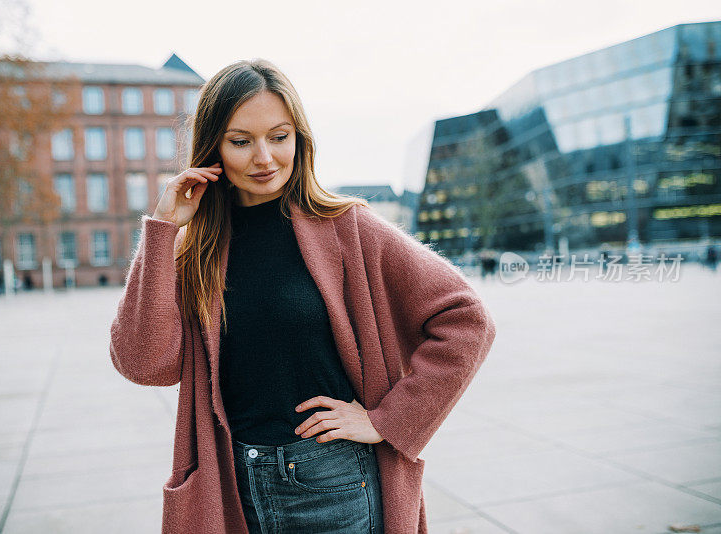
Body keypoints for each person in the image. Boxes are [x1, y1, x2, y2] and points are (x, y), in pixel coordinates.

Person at [109, 59, 497, 534]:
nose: (264, 158)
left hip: (331, 484)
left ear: (300, 139)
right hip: (230, 487)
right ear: (213, 148)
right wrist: (163, 230)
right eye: (241, 141)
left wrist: (389, 420)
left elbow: (466, 319)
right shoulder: (197, 250)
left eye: (279, 136)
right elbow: (144, 364)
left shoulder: (347, 227)